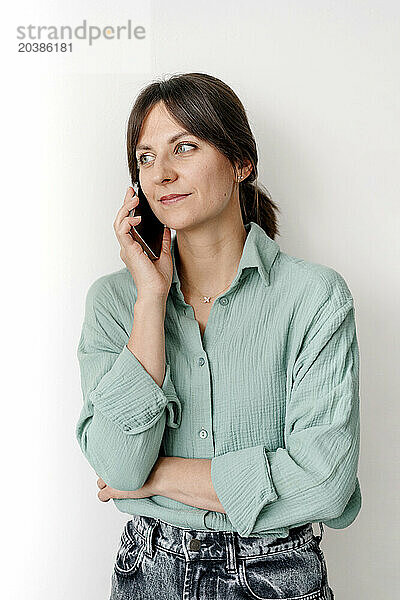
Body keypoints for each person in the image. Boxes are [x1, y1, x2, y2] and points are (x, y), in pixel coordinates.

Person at [76, 73, 361, 599]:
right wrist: (150, 301)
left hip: (277, 573)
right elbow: (117, 464)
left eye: (184, 147)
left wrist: (157, 477)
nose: (160, 173)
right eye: (144, 157)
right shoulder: (116, 304)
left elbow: (324, 482)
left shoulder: (314, 297)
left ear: (240, 162)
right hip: (149, 572)